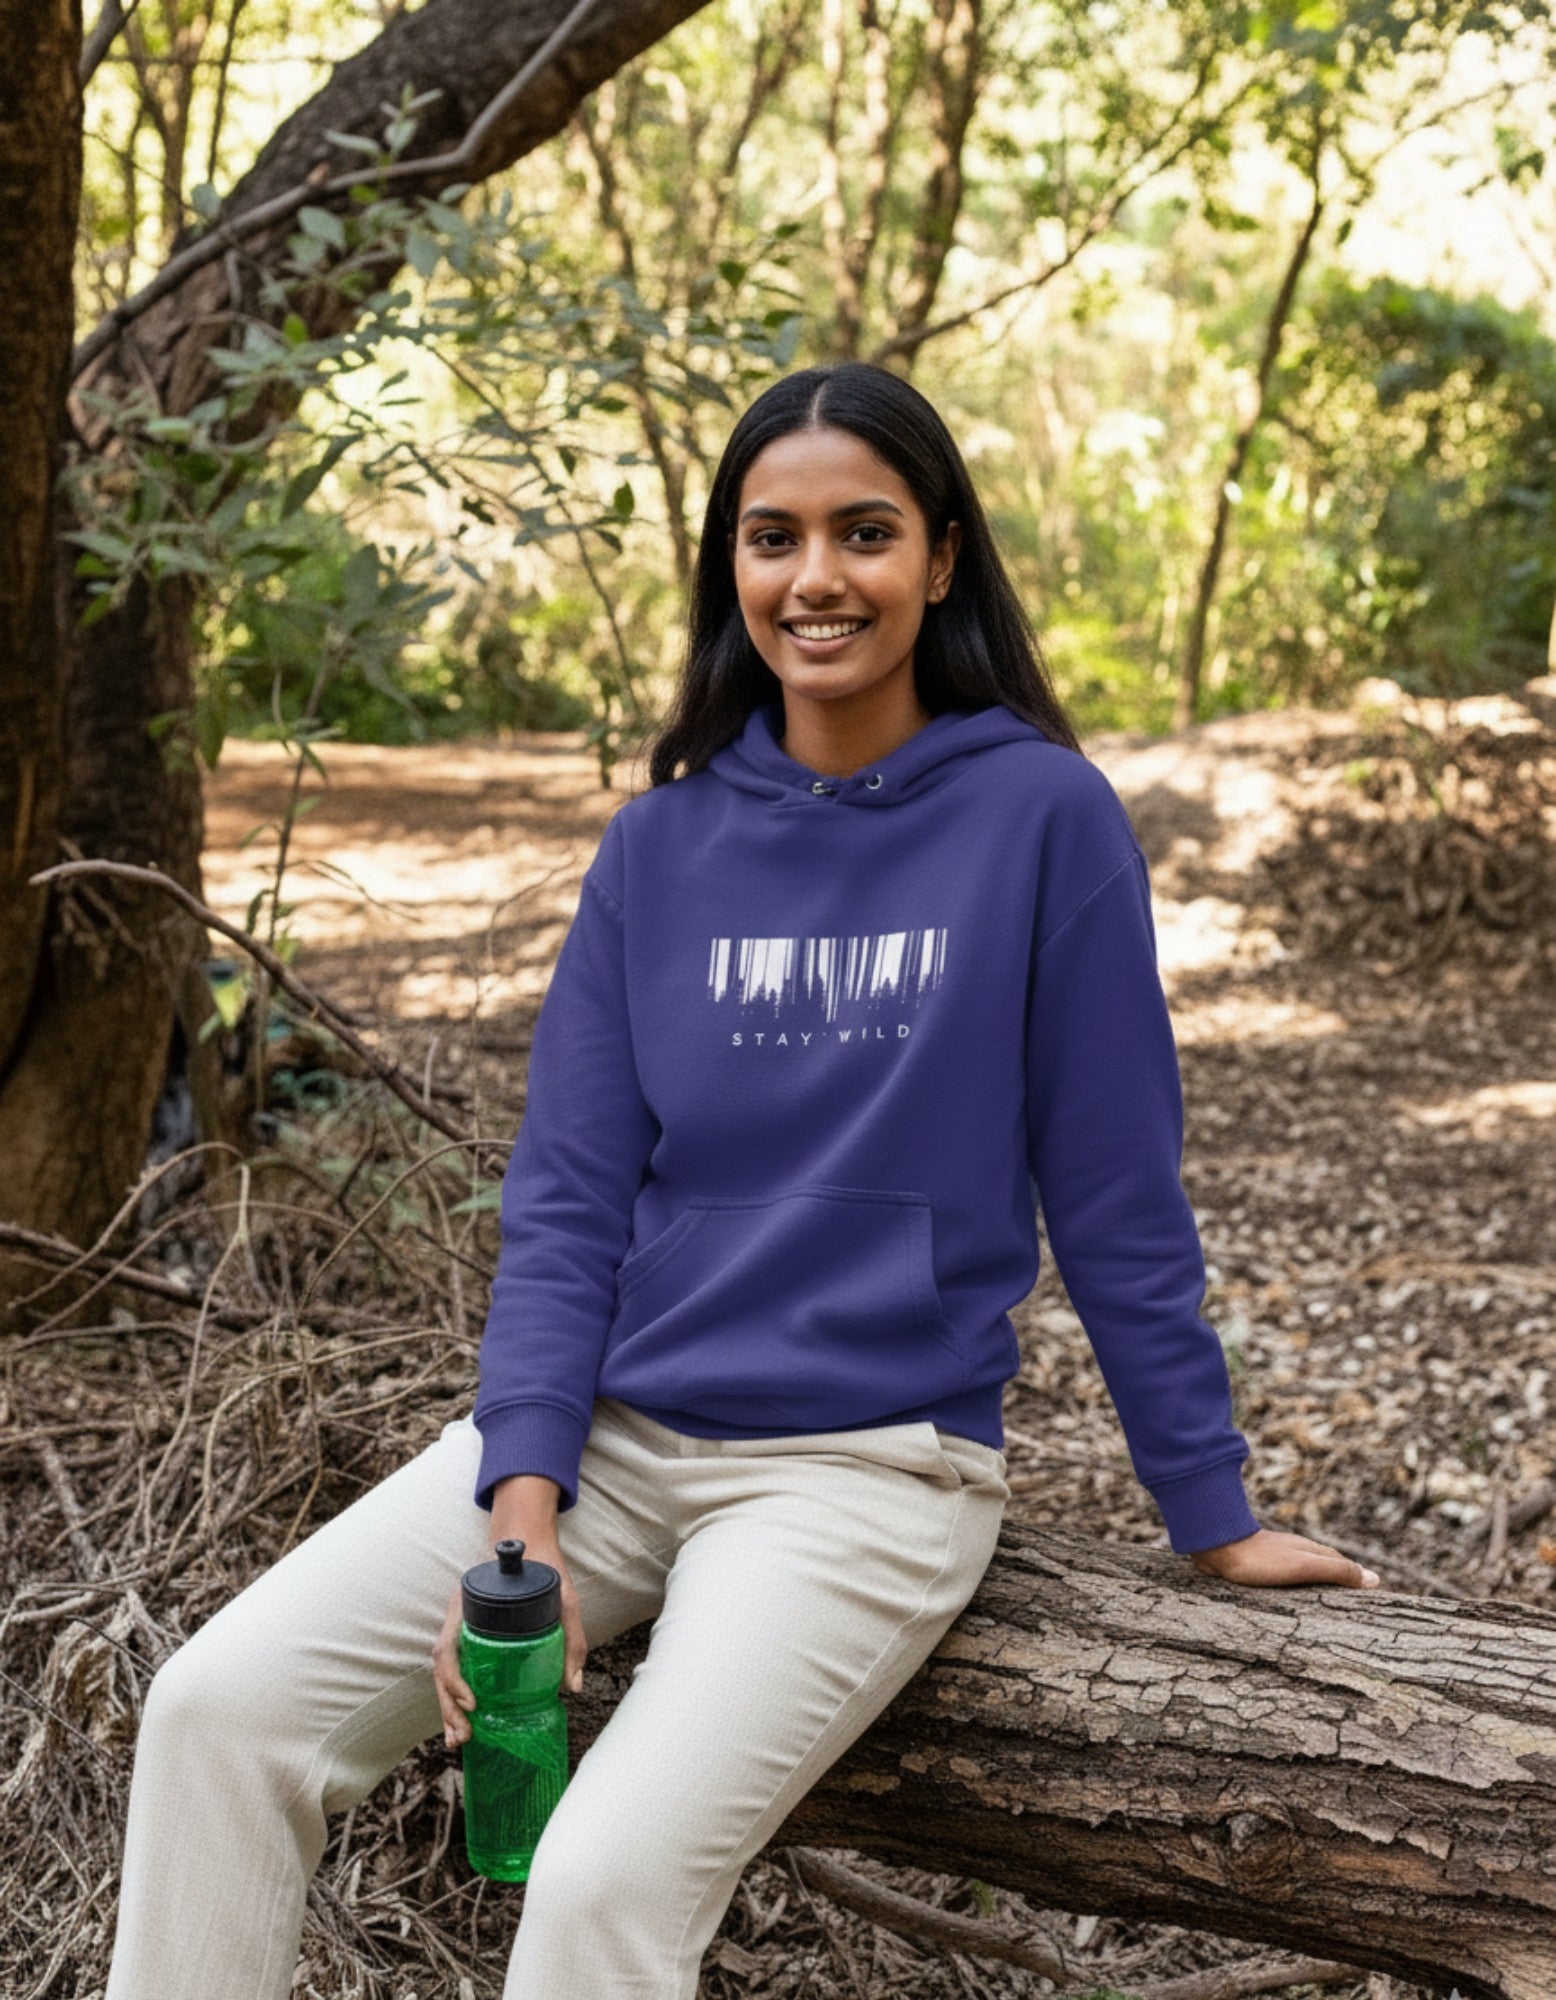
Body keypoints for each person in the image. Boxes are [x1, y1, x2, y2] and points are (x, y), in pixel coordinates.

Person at [105, 360, 1378, 2000]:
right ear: (732, 571)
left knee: (597, 1882)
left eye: (864, 532)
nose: (816, 578)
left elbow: (1119, 1195)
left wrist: (1214, 1514)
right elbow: (567, 1203)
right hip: (620, 1439)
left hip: (859, 1477)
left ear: (941, 554)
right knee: (215, 1714)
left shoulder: (1045, 821)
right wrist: (523, 1515)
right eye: (771, 539)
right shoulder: (661, 850)